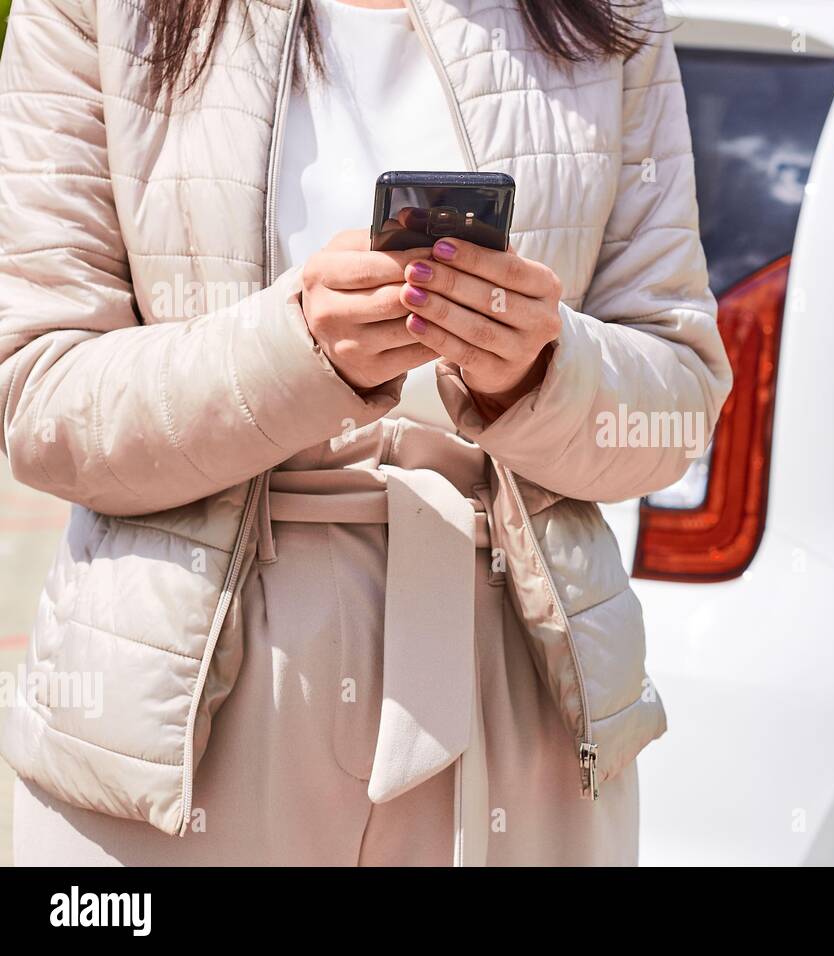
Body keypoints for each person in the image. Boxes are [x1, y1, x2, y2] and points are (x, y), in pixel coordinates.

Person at [0, 0, 730, 865]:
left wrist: (539, 370)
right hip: (181, 704)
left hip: (517, 688)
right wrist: (297, 353)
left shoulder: (607, 18)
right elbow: (39, 394)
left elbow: (677, 400)